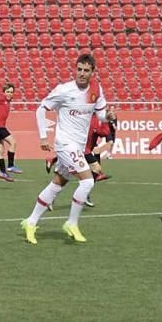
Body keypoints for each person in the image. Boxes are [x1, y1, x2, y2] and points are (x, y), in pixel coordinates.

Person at [21, 54, 107, 245]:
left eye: (86, 70)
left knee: (58, 183)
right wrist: (43, 136)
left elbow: (101, 115)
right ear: (75, 69)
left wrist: (108, 116)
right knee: (88, 182)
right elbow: (41, 108)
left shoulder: (96, 89)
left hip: (77, 145)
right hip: (65, 144)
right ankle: (72, 223)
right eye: (79, 69)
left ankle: (30, 222)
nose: (82, 74)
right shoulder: (64, 90)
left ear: (93, 72)